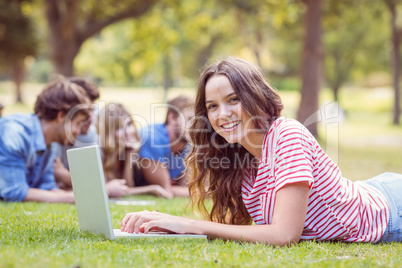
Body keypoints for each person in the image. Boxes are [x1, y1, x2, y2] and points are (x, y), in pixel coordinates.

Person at [120, 57, 402, 245]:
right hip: (370, 189)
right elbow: (235, 227)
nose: (223, 114)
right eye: (213, 106)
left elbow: (284, 234)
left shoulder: (286, 134)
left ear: (255, 96)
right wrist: (169, 224)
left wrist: (189, 225)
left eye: (233, 99)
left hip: (391, 210)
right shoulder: (237, 155)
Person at [0, 77, 91, 203]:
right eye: (78, 123)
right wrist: (68, 197)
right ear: (61, 116)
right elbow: (13, 192)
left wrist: (83, 196)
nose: (78, 131)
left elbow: (46, 187)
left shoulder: (51, 145)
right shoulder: (15, 133)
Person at [96, 103, 172, 198]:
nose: (127, 132)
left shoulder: (126, 151)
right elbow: (112, 191)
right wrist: (152, 189)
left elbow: (128, 186)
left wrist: (129, 156)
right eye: (119, 128)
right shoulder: (100, 154)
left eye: (129, 124)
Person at [136, 96, 194, 197]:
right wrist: (207, 193)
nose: (195, 126)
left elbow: (187, 186)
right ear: (171, 118)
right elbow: (165, 190)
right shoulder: (152, 138)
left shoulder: (189, 144)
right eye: (189, 119)